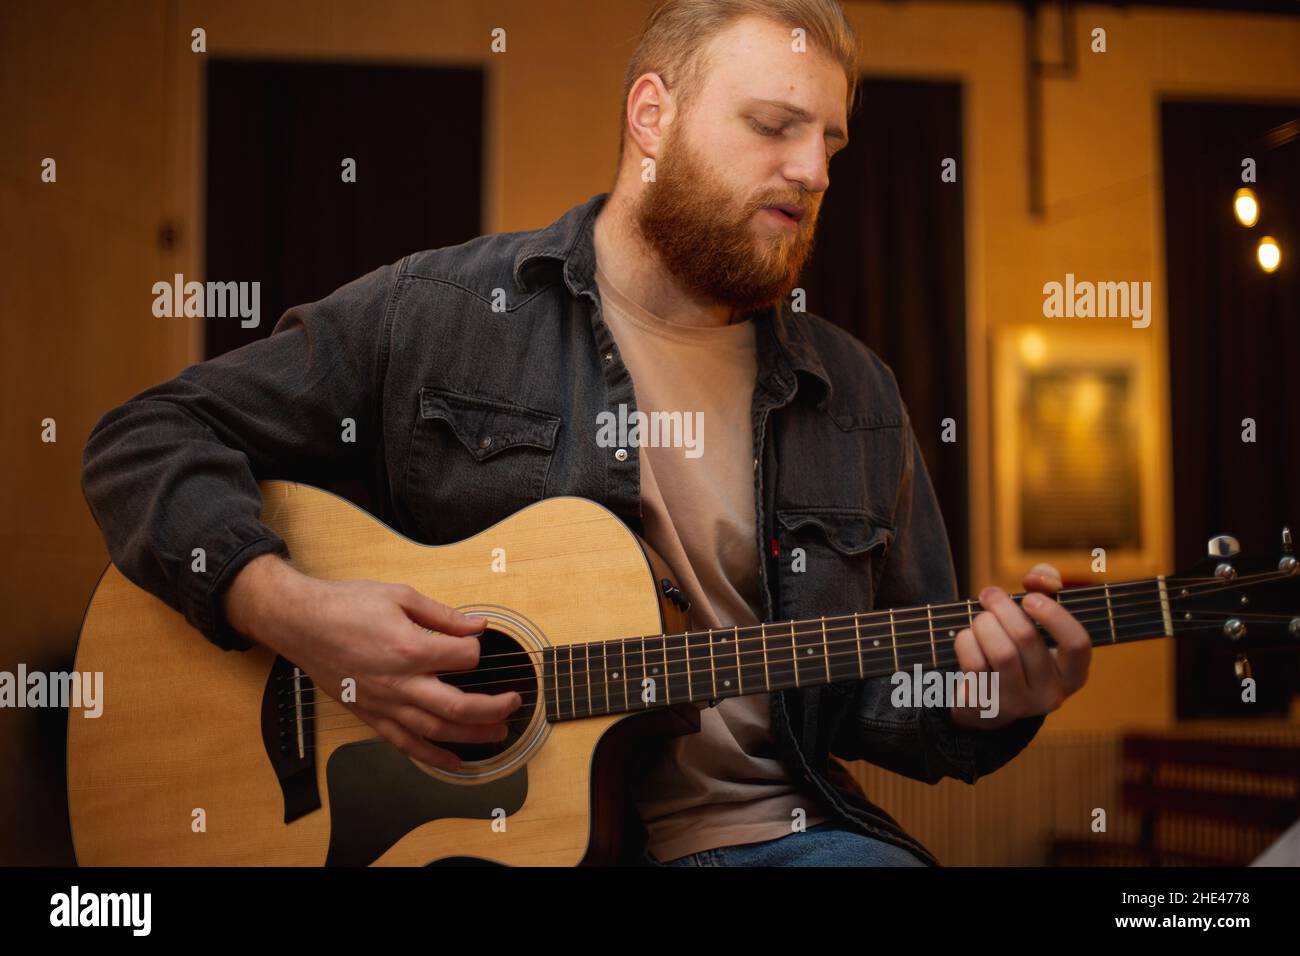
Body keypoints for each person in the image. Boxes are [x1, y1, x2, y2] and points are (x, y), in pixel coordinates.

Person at [81, 0, 1091, 868]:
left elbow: (882, 704)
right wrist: (290, 609)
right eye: (776, 126)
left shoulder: (855, 392)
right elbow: (142, 436)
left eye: (828, 142)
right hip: (475, 844)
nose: (814, 170)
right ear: (651, 116)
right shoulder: (441, 311)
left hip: (781, 837)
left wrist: (986, 696)